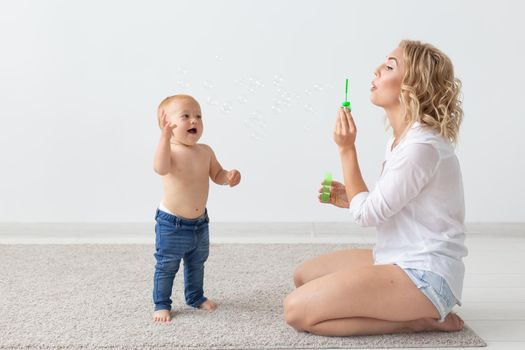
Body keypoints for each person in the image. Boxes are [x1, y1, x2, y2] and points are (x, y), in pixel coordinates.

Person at [283, 40, 468, 336]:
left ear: (413, 85)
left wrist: (346, 149)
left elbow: (367, 216)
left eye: (389, 66)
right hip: (397, 256)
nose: (377, 70)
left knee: (297, 311)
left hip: (426, 277)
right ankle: (407, 310)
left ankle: (414, 320)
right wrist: (353, 198)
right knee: (303, 277)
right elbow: (387, 206)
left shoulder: (421, 147)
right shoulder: (402, 140)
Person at [152, 94, 241, 322]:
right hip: (172, 224)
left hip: (200, 223)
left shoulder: (205, 151)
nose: (194, 121)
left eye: (198, 116)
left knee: (197, 262)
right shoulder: (169, 150)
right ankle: (162, 304)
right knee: (167, 265)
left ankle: (195, 296)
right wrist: (164, 138)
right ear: (167, 124)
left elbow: (217, 174)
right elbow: (160, 168)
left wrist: (228, 177)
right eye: (186, 116)